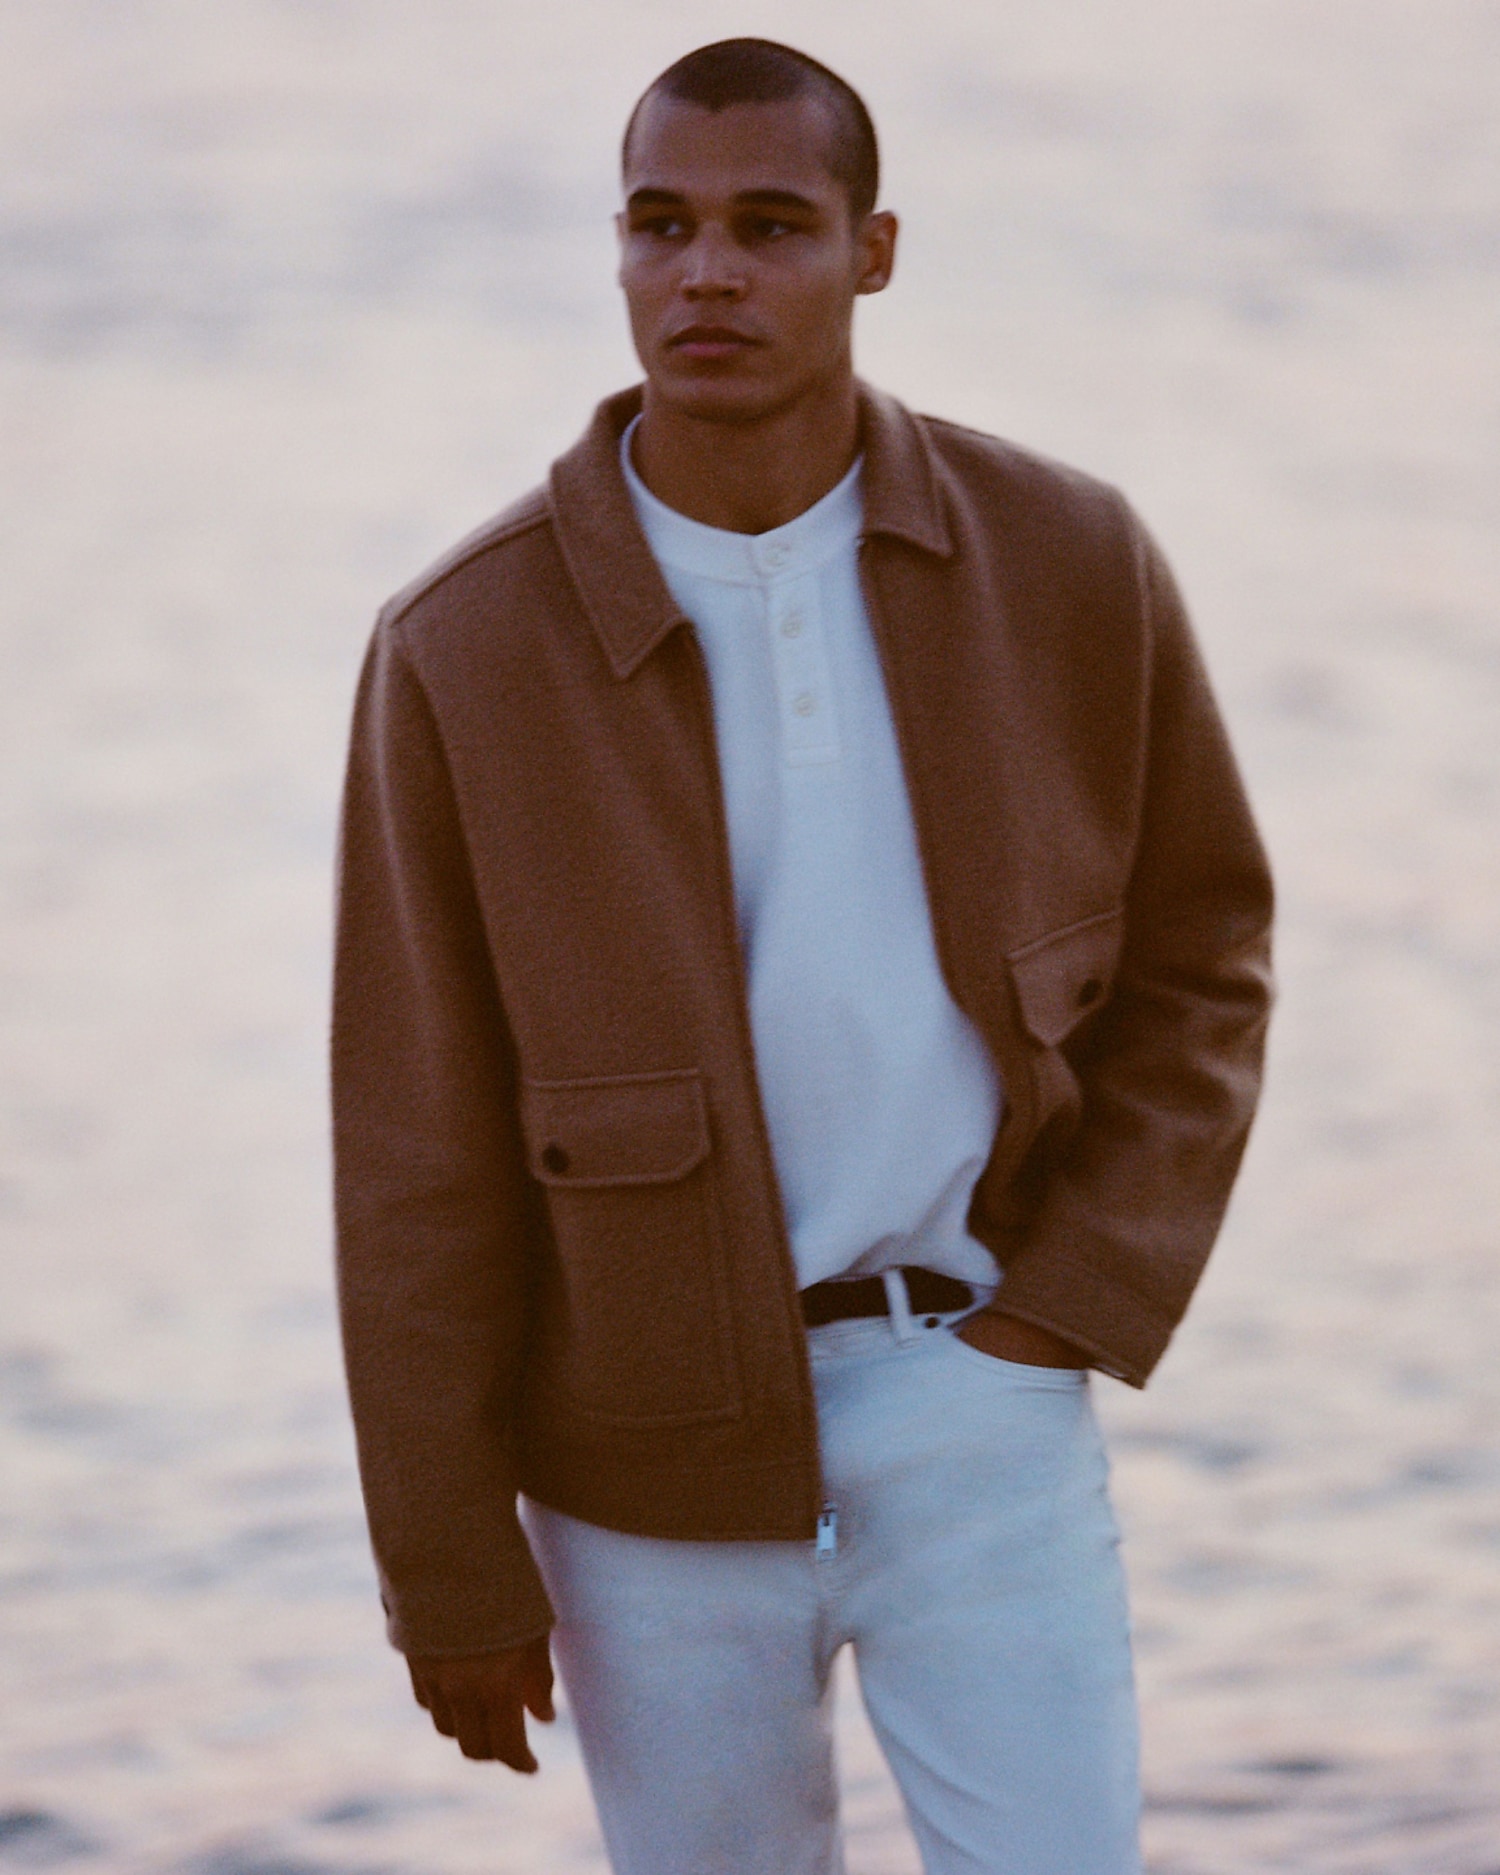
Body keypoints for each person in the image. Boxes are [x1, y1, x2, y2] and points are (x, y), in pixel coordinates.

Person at [332, 37, 1273, 1875]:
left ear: (874, 249)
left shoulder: (1067, 560)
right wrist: (443, 1559)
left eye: (771, 226)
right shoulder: (466, 644)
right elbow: (412, 1147)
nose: (708, 274)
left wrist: (1062, 1313)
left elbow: (1204, 953)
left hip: (977, 1399)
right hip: (635, 1471)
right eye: (662, 226)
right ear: (615, 249)